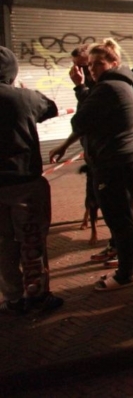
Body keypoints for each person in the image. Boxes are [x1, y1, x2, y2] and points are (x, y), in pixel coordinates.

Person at [51, 39, 133, 291]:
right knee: (122, 215)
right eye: (90, 65)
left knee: (119, 218)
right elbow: (91, 122)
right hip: (125, 156)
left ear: (113, 62)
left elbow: (80, 120)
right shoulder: (119, 83)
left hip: (115, 160)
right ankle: (127, 264)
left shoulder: (107, 88)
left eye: (98, 64)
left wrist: (81, 88)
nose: (92, 69)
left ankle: (126, 273)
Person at [0, 46, 63, 314]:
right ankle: (36, 296)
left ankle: (12, 298)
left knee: (2, 245)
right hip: (25, 183)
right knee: (32, 240)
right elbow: (51, 108)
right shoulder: (24, 98)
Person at [70, 44, 100, 241]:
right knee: (92, 179)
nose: (78, 71)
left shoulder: (100, 83)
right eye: (75, 66)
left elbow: (92, 108)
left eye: (82, 65)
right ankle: (89, 216)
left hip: (103, 142)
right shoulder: (84, 82)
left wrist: (80, 86)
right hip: (89, 140)